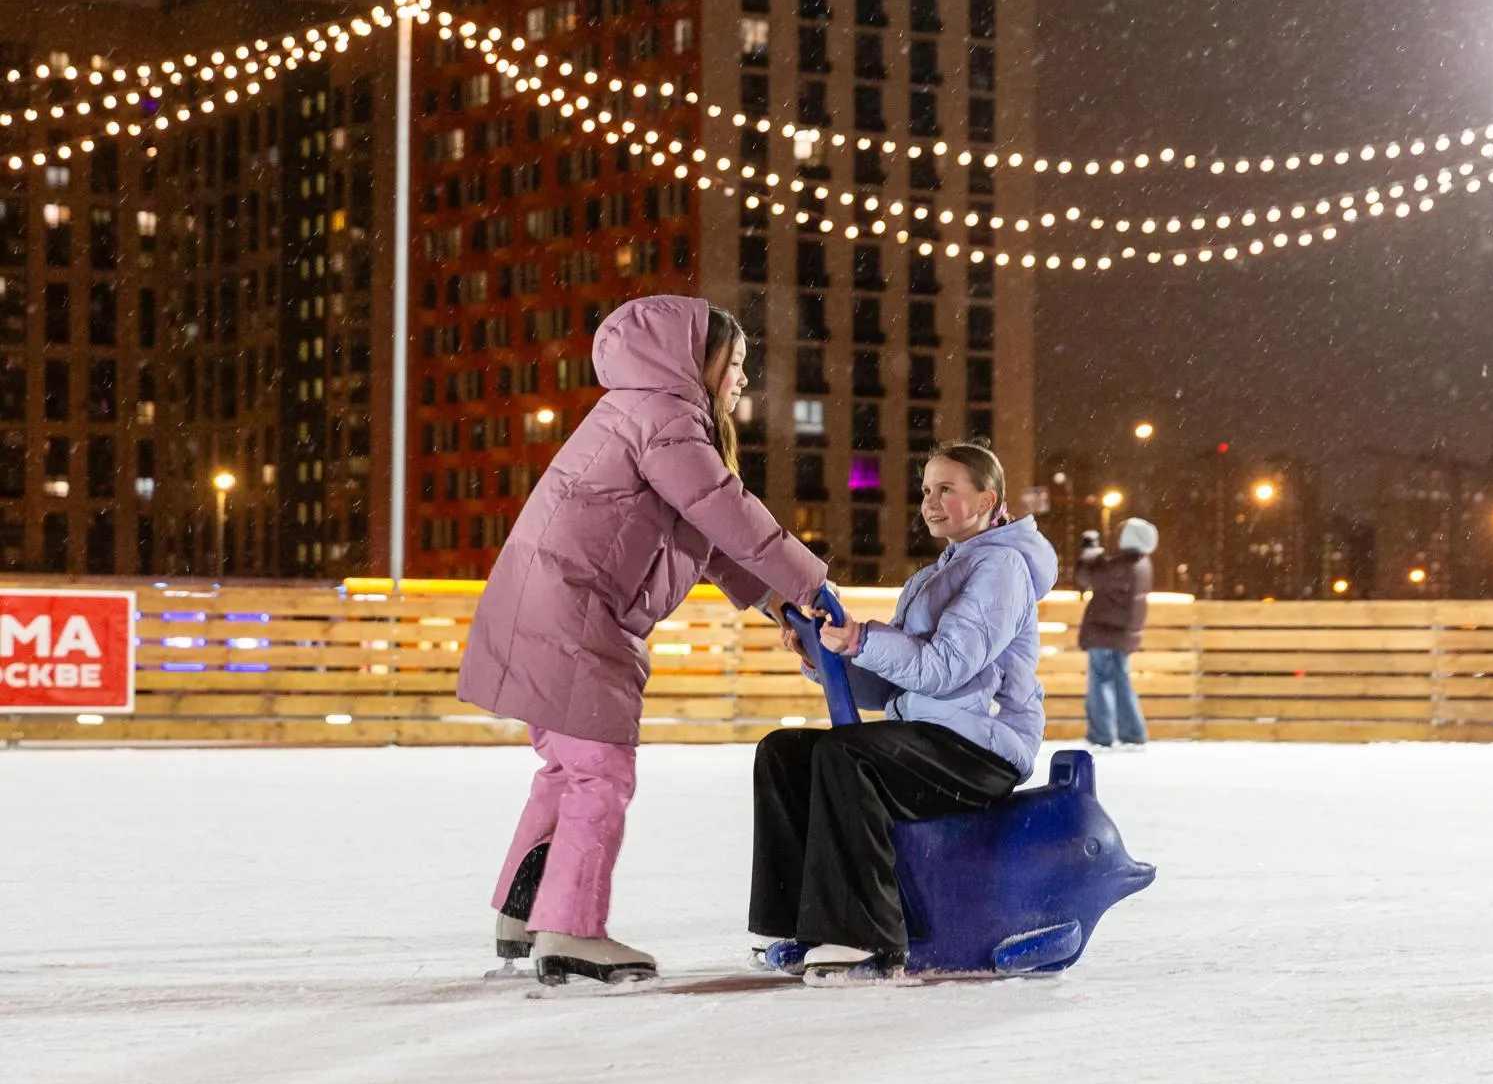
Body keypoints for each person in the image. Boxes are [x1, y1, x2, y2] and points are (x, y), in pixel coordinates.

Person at [458, 295, 828, 986]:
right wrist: (810, 584)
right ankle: (569, 931)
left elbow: (706, 536)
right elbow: (729, 512)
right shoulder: (665, 417)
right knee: (601, 771)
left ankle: (526, 912)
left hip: (555, 607)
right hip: (574, 612)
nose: (743, 379)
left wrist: (779, 600)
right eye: (737, 364)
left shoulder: (642, 415)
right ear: (692, 359)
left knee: (569, 770)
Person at [749, 441, 1059, 985]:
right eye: (925, 490)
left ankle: (867, 935)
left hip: (981, 748)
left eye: (947, 489)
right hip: (929, 735)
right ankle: (799, 922)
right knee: (785, 753)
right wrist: (826, 656)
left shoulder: (1003, 568)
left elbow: (944, 668)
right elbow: (897, 681)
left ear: (988, 498)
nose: (931, 502)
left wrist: (863, 639)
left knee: (849, 757)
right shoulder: (942, 570)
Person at [1077, 516, 1158, 749]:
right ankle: (1132, 732)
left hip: (1106, 632)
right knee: (1121, 682)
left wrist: (1089, 555)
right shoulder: (1142, 563)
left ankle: (1102, 734)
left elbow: (1089, 578)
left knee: (1101, 683)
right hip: (1119, 633)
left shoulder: (1125, 565)